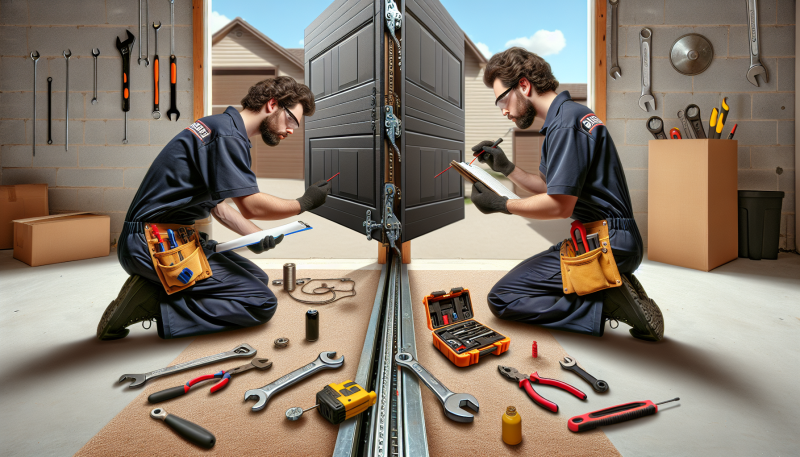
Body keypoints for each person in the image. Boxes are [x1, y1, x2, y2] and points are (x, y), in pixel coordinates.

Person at [97, 76, 330, 340]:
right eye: (292, 121)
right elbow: (251, 206)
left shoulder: (220, 127)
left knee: (256, 277)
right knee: (261, 302)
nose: (291, 131)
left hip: (165, 237)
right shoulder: (228, 136)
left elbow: (218, 207)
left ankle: (160, 285)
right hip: (150, 243)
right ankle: (156, 304)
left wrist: (255, 235)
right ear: (272, 104)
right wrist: (305, 203)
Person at [470, 48, 664, 341]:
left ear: (523, 85)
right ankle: (607, 282)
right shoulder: (568, 117)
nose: (504, 111)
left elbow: (559, 205)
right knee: (513, 288)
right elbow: (552, 188)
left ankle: (608, 302)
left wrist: (502, 205)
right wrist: (506, 167)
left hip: (608, 242)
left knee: (503, 297)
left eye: (502, 100)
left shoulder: (565, 125)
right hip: (602, 238)